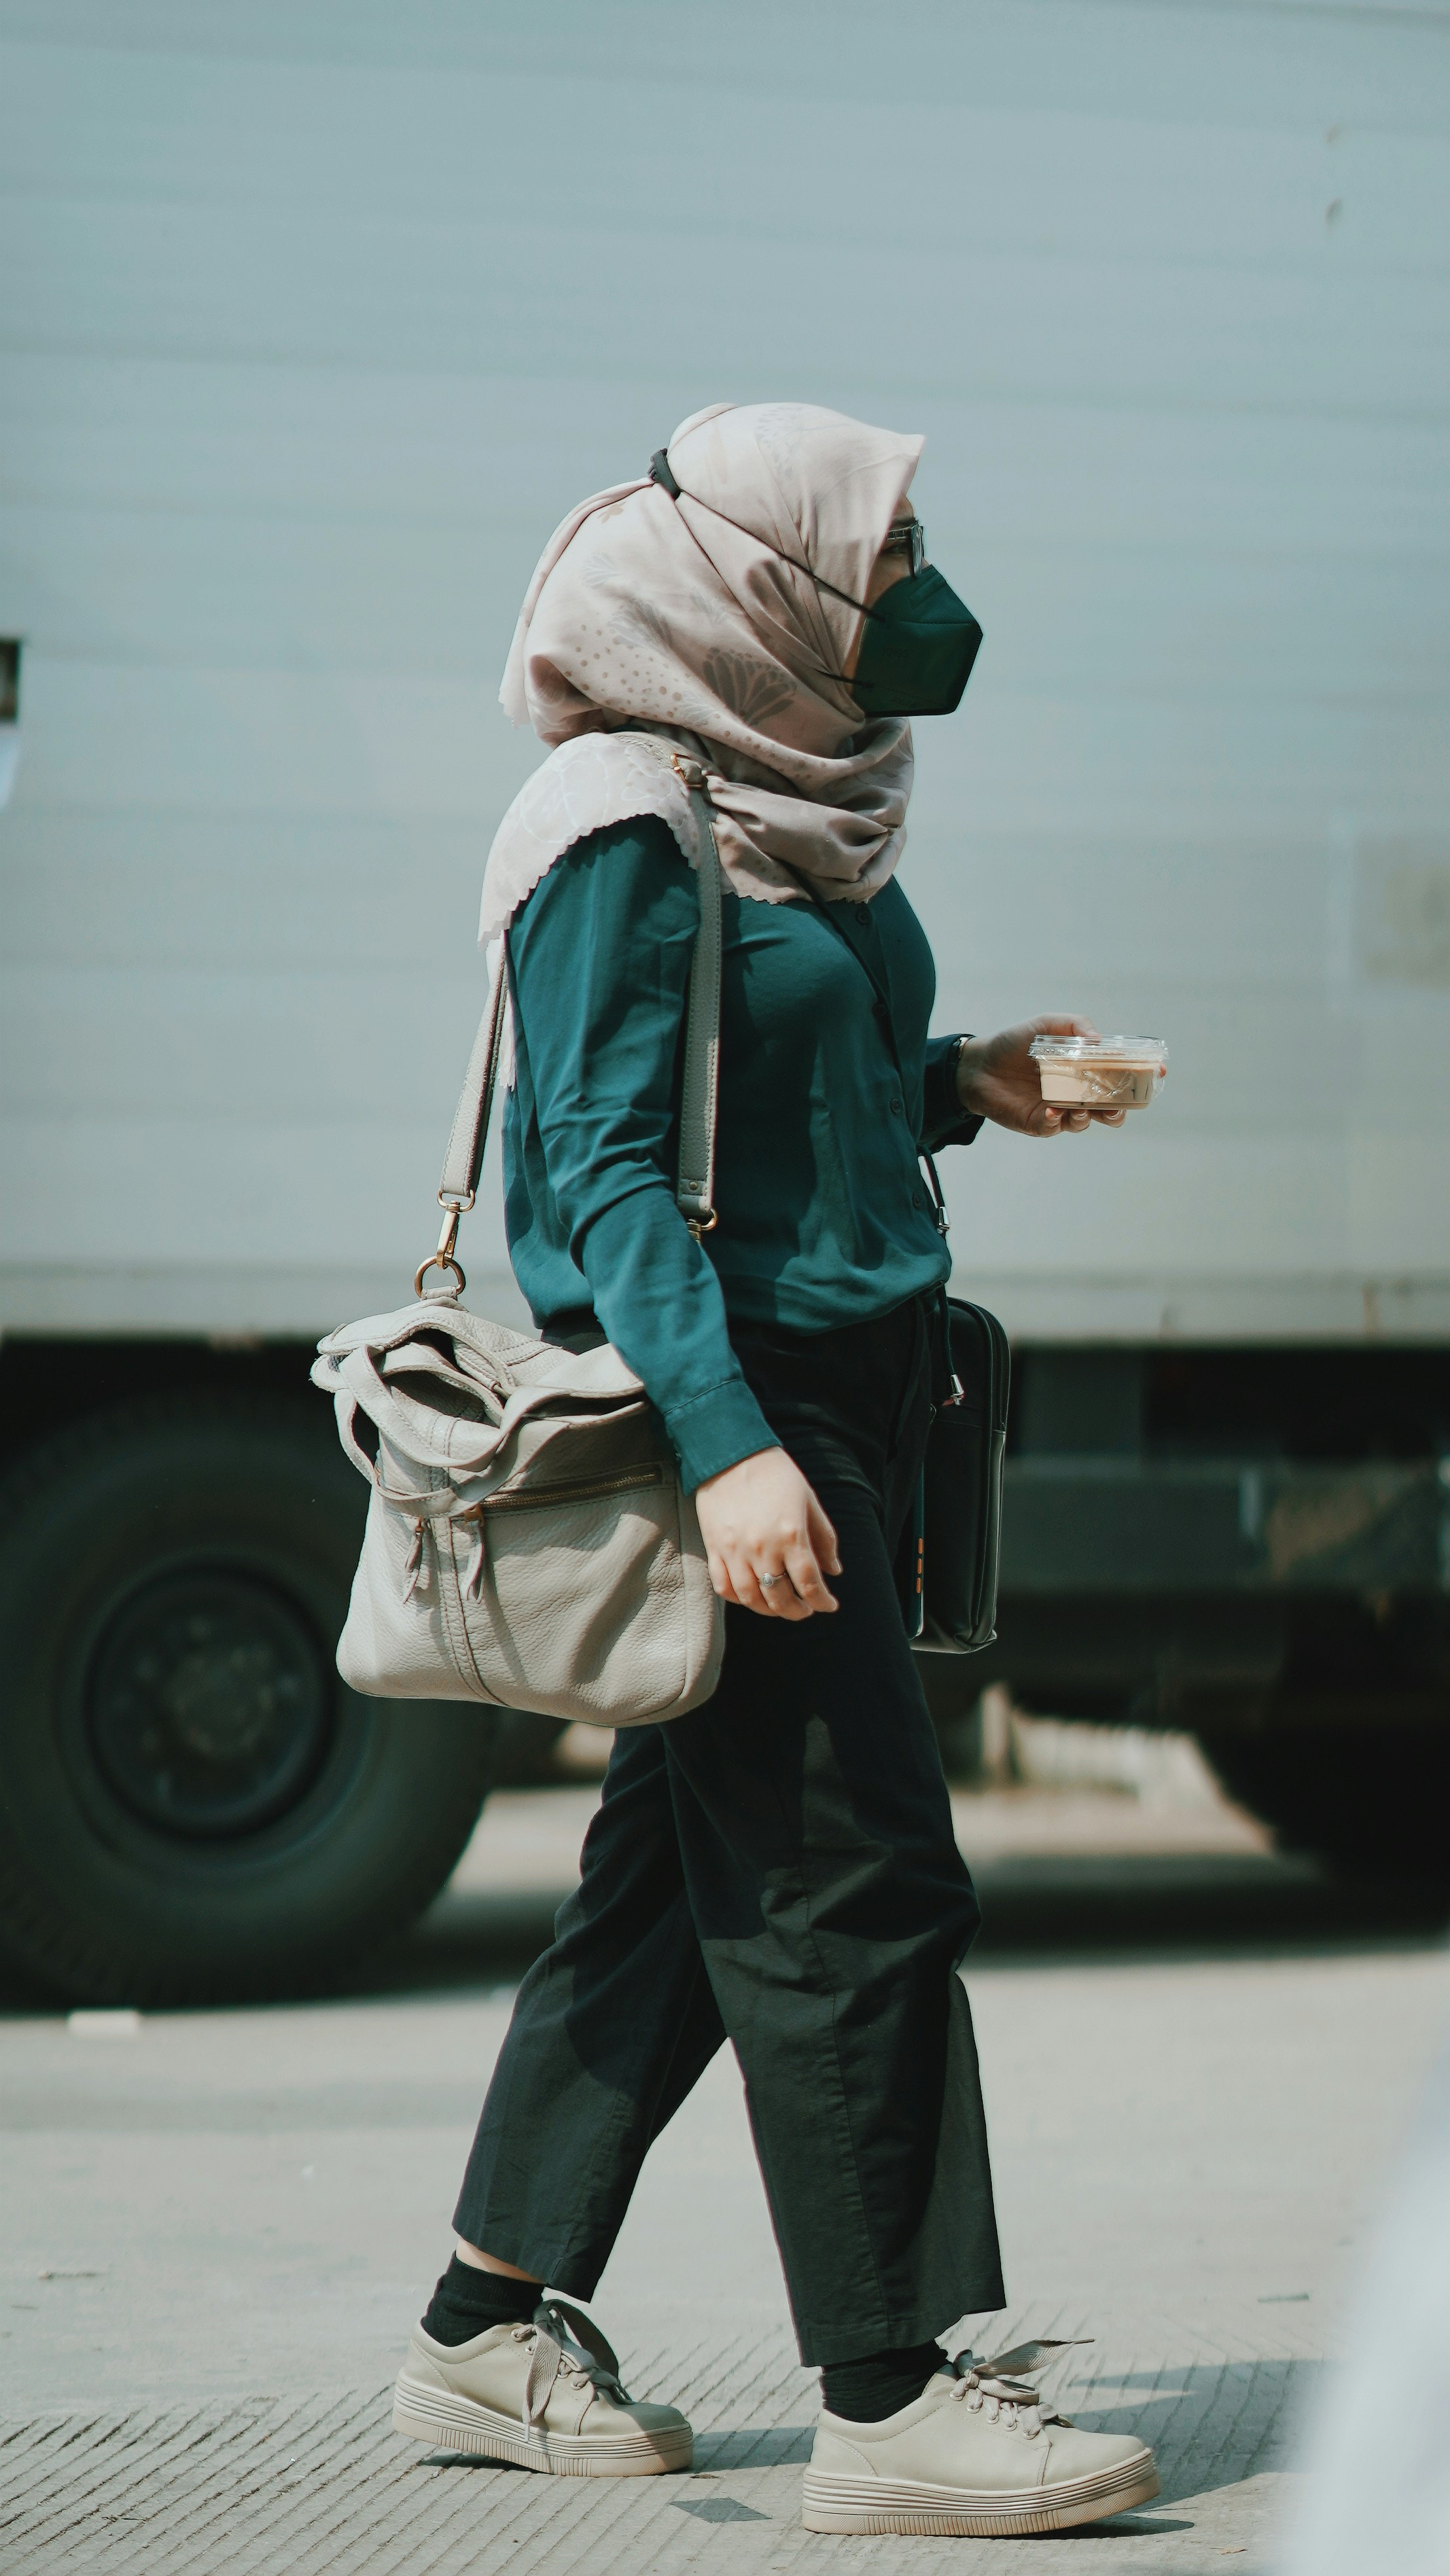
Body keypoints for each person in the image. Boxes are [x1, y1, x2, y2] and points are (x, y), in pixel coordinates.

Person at [390, 402, 1159, 2537]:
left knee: (662, 1901)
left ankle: (479, 2328)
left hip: (830, 1402)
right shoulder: (621, 820)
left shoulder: (779, 800)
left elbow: (765, 1099)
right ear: (755, 577)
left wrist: (961, 1084)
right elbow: (609, 1176)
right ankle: (890, 2398)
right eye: (884, 543)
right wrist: (732, 1459)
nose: (918, 583)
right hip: (732, 1420)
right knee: (850, 1887)